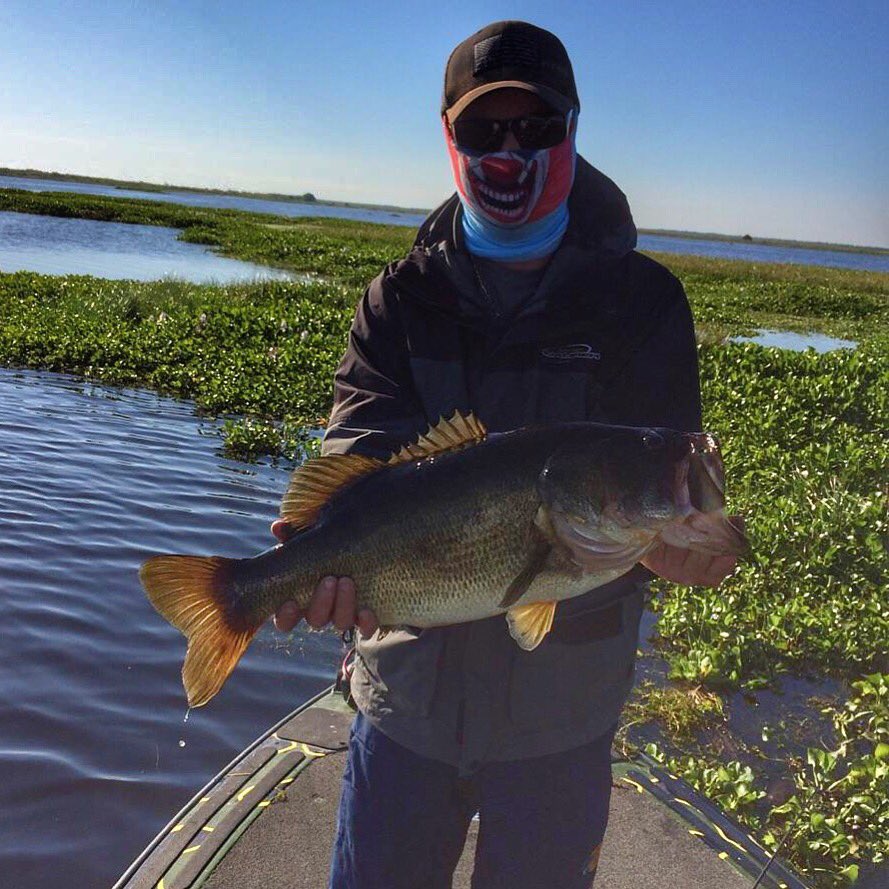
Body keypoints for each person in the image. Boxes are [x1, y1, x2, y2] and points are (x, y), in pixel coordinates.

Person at [272, 21, 737, 889]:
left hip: (559, 727)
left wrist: (692, 547)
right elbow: (357, 452)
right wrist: (320, 551)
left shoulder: (640, 304)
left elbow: (674, 502)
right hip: (403, 703)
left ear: (572, 129)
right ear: (451, 140)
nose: (510, 151)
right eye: (485, 131)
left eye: (536, 128)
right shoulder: (397, 298)